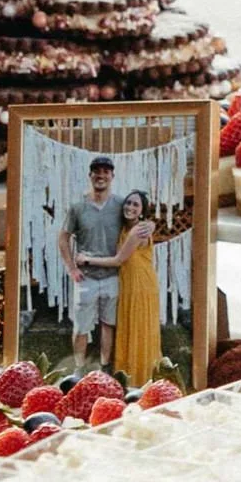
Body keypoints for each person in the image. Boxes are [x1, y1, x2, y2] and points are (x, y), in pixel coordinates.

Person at [77, 189, 161, 387]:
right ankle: (128, 378)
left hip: (140, 284)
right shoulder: (129, 226)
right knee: (128, 327)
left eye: (135, 205)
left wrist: (86, 260)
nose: (130, 207)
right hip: (129, 282)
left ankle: (139, 380)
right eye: (128, 203)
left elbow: (119, 260)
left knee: (137, 329)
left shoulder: (137, 230)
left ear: (142, 211)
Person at [57, 155, 125, 371]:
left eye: (106, 171)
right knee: (81, 327)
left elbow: (138, 222)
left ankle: (105, 366)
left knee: (108, 324)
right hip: (86, 278)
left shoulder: (121, 205)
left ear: (112, 176)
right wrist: (71, 268)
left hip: (112, 275)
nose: (101, 175)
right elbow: (63, 238)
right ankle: (79, 368)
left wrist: (149, 226)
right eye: (97, 171)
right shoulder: (78, 207)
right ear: (90, 175)